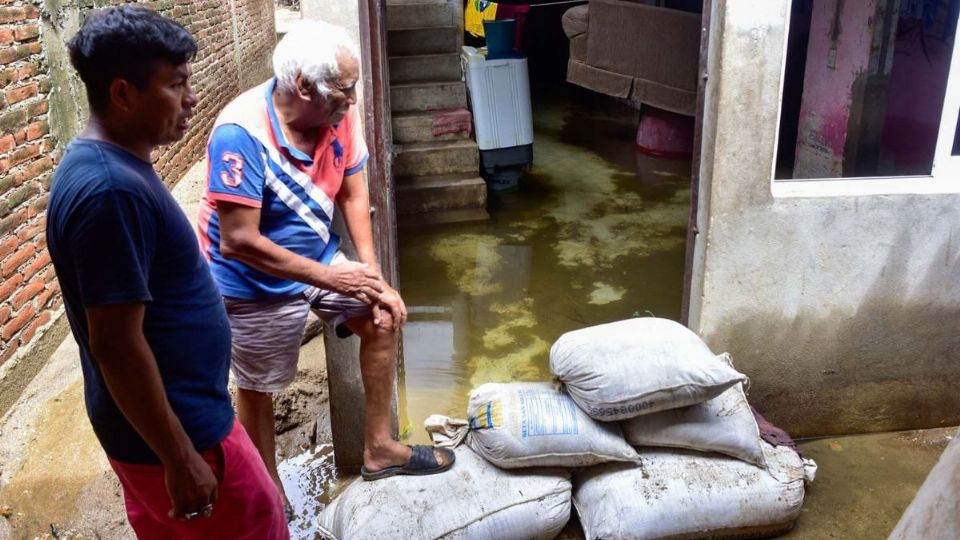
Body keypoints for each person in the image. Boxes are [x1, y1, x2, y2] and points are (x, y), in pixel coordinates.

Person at [46, 6, 288, 538]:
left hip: (166, 428)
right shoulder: (110, 193)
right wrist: (180, 458)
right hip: (184, 434)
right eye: (176, 85)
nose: (193, 98)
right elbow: (116, 344)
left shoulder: (107, 167)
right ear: (123, 94)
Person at [198, 20, 455, 504]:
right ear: (301, 87)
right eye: (344, 90)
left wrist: (370, 275)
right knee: (259, 385)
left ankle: (379, 449)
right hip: (250, 277)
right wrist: (333, 275)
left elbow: (355, 192)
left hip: (317, 252)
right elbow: (238, 240)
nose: (353, 101)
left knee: (381, 319)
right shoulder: (241, 134)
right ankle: (268, 494)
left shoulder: (337, 111)